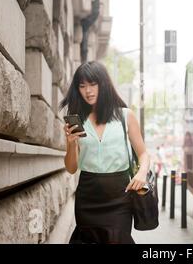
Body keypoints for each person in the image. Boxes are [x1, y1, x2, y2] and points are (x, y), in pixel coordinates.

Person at [59, 61, 150, 244]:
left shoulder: (125, 116)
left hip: (119, 195)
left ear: (103, 84)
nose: (88, 91)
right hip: (88, 195)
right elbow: (71, 168)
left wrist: (141, 173)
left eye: (93, 84)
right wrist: (70, 144)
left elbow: (143, 154)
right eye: (82, 86)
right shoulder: (78, 120)